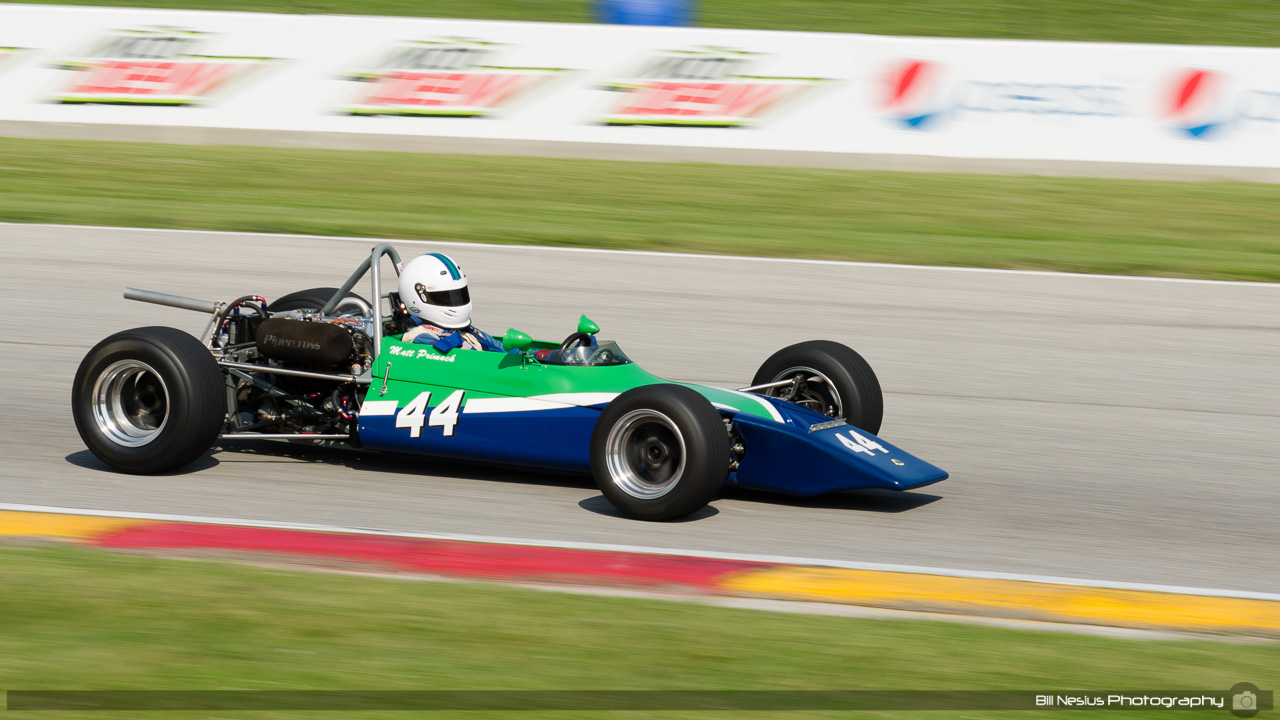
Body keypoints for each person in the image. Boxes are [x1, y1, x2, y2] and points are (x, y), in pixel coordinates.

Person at [396, 253, 504, 353]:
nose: (456, 301)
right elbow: (461, 359)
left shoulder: (467, 331)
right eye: (446, 297)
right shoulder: (419, 335)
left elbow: (502, 350)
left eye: (459, 295)